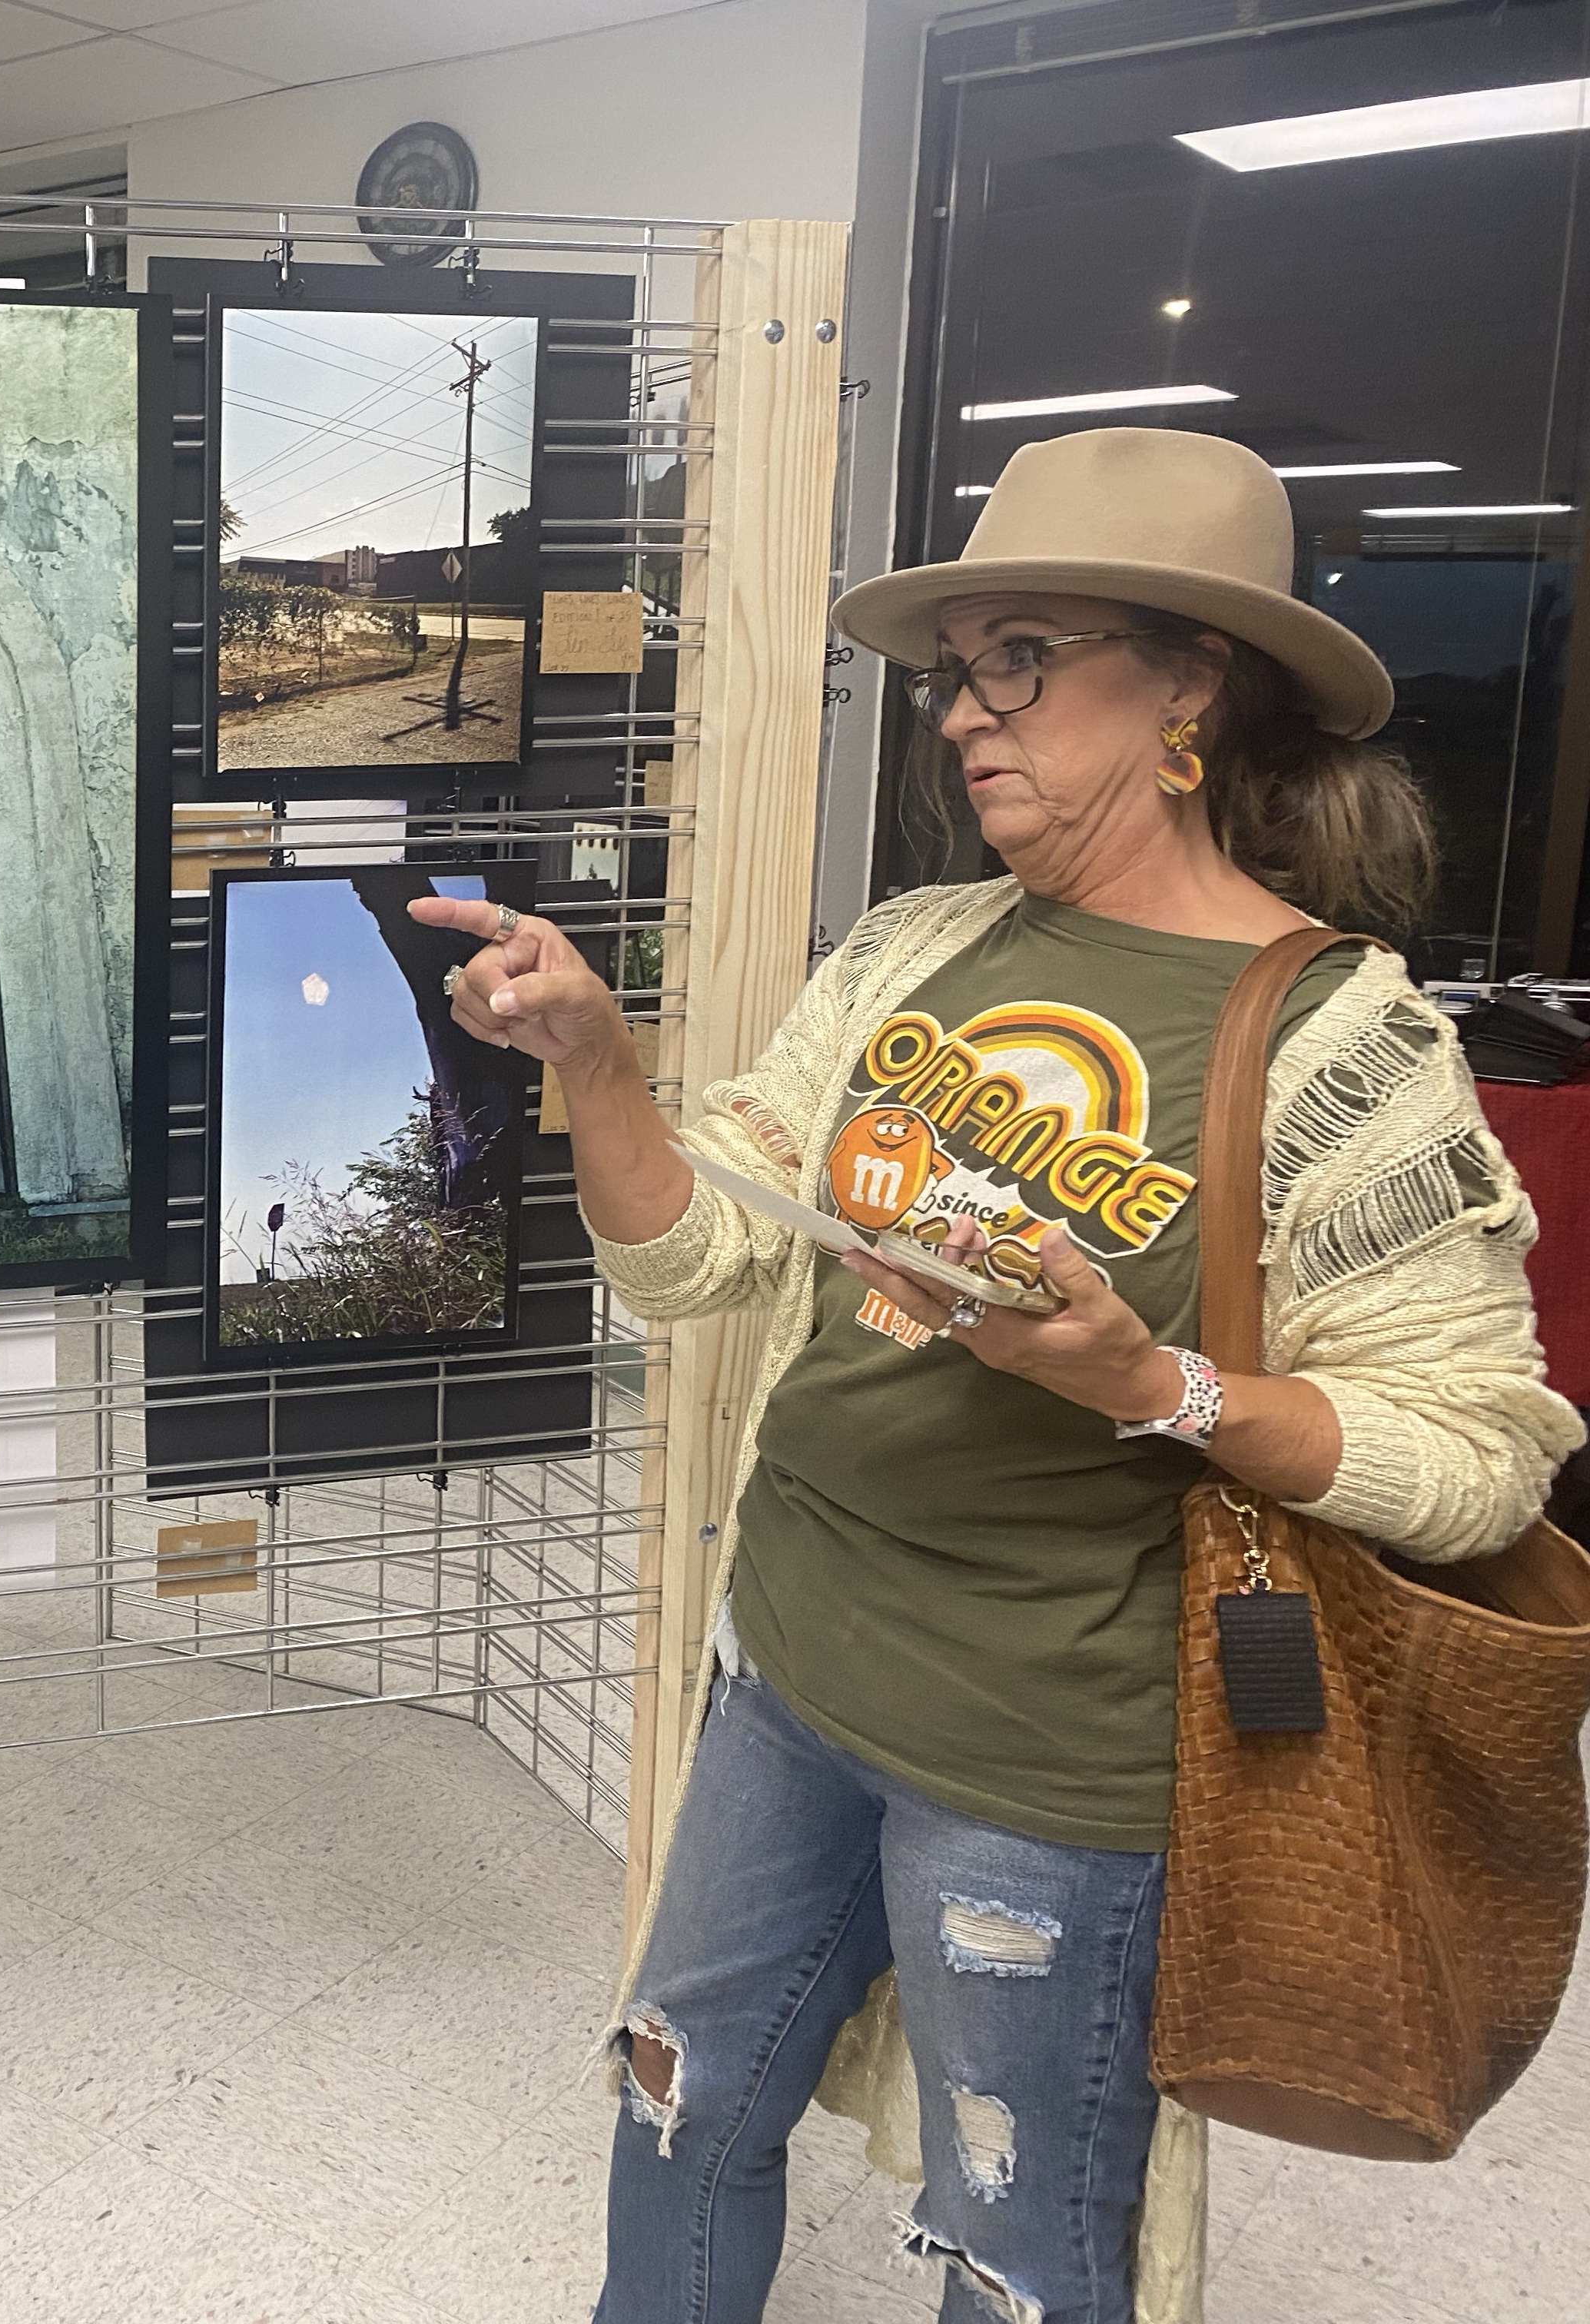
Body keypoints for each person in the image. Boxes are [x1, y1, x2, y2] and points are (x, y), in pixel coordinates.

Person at [413, 428, 1581, 2324]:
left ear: (1191, 684)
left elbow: (1479, 1457)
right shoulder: (914, 949)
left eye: (1021, 658)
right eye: (960, 669)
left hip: (1048, 1768)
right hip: (789, 1675)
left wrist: (1150, 1385)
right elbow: (704, 1253)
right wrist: (599, 1066)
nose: (963, 712)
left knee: (1015, 2242)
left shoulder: (1345, 1048)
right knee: (677, 2099)